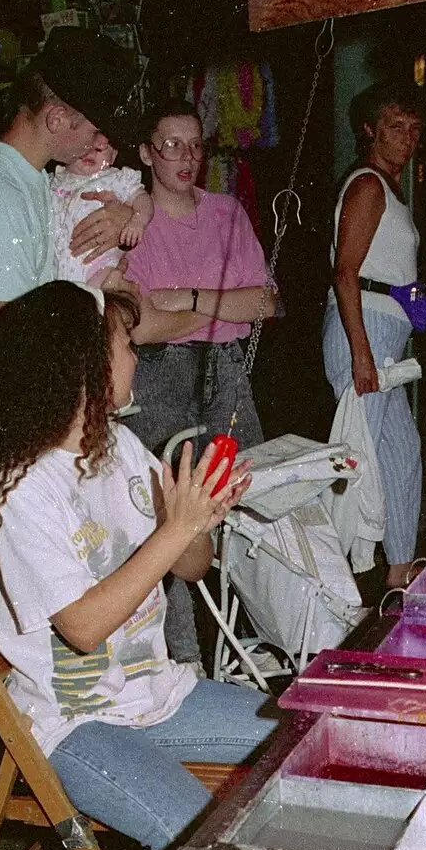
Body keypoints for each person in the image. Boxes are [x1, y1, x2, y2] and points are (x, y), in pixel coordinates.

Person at [0, 280, 276, 850]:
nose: (136, 356)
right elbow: (82, 627)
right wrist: (173, 529)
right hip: (74, 724)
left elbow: (195, 567)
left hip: (155, 694)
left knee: (305, 736)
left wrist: (197, 519)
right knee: (205, 843)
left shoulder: (119, 446)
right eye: (126, 344)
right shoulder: (23, 488)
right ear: (85, 370)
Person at [0, 26, 151, 470]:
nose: (95, 144)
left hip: (0, 408)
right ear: (58, 119)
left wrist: (126, 216)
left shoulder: (32, 180)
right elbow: (24, 331)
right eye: (92, 129)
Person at [121, 98, 278, 662]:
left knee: (248, 504)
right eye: (170, 145)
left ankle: (258, 642)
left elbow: (265, 301)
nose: (185, 158)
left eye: (194, 145)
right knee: (170, 519)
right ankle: (180, 661)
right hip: (158, 376)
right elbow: (139, 328)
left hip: (225, 372)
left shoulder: (227, 213)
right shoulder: (131, 222)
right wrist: (221, 308)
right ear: (145, 153)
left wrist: (185, 300)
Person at [323, 80, 424, 591]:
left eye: (412, 128)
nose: (407, 137)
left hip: (385, 330)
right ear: (369, 132)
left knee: (401, 459)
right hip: (362, 332)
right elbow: (347, 273)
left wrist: (414, 303)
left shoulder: (391, 188)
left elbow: (383, 273)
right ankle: (330, 582)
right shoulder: (367, 185)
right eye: (394, 128)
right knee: (354, 466)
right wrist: (363, 355)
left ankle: (399, 579)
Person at [52, 135, 150, 287]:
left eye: (99, 149)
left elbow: (143, 199)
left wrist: (138, 220)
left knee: (97, 295)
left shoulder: (115, 179)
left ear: (113, 156)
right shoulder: (55, 181)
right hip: (57, 267)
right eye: (84, 146)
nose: (90, 153)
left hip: (97, 264)